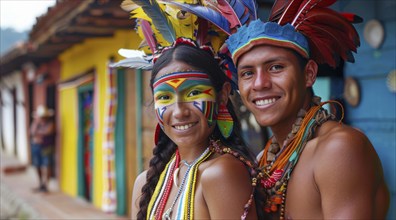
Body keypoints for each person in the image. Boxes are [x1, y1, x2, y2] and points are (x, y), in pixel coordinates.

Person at [225, 1, 390, 219]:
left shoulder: (338, 148)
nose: (259, 84)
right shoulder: (267, 157)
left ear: (309, 74)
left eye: (275, 67)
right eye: (247, 73)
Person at [131, 38, 261, 220]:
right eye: (165, 97)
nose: (179, 112)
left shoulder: (222, 174)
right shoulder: (144, 183)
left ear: (222, 95)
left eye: (194, 93)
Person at [30, 105, 55, 193]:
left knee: (47, 166)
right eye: (41, 117)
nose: (43, 118)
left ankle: (46, 185)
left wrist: (38, 134)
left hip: (46, 147)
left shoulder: (50, 124)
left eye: (44, 117)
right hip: (36, 147)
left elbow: (47, 132)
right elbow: (32, 132)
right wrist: (36, 122)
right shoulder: (37, 123)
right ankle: (40, 183)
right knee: (37, 165)